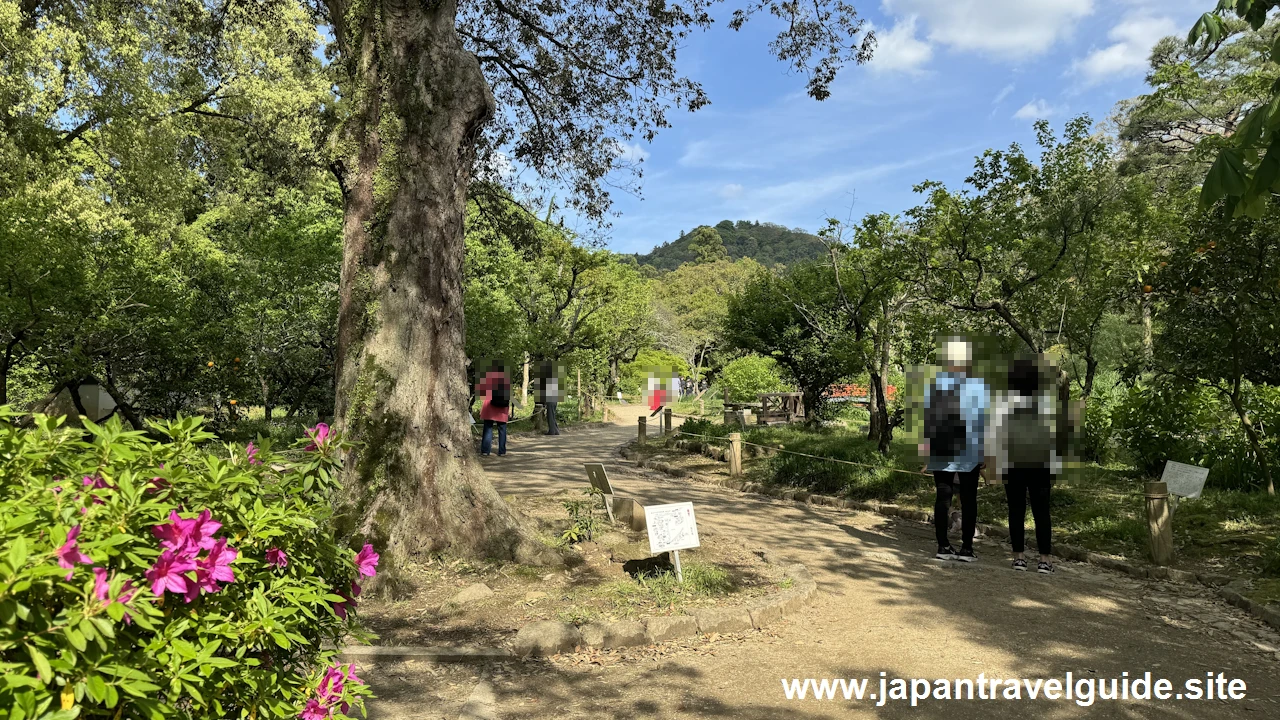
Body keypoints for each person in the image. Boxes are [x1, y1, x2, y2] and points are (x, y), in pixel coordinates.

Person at [987, 356, 1058, 574]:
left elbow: (995, 436)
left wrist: (992, 464)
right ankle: (1044, 560)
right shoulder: (1046, 402)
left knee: (1016, 509)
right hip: (1040, 462)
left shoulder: (1003, 403)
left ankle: (1019, 557)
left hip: (1013, 462)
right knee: (1042, 512)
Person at [922, 338, 989, 562]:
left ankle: (943, 547)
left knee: (943, 498)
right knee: (969, 499)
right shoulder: (977, 385)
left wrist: (927, 452)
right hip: (968, 449)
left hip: (941, 449)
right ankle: (967, 549)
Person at [476, 361, 511, 457]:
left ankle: (485, 450)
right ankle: (502, 451)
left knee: (488, 428)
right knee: (502, 429)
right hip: (502, 409)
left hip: (490, 407)